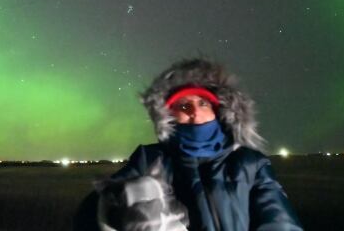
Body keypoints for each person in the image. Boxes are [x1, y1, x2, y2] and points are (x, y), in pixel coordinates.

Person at [90, 58, 302, 231]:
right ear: (168, 116)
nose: (195, 111)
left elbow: (279, 220)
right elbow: (93, 211)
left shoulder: (250, 162)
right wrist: (115, 213)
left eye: (203, 103)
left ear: (218, 111)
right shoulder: (150, 159)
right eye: (184, 105)